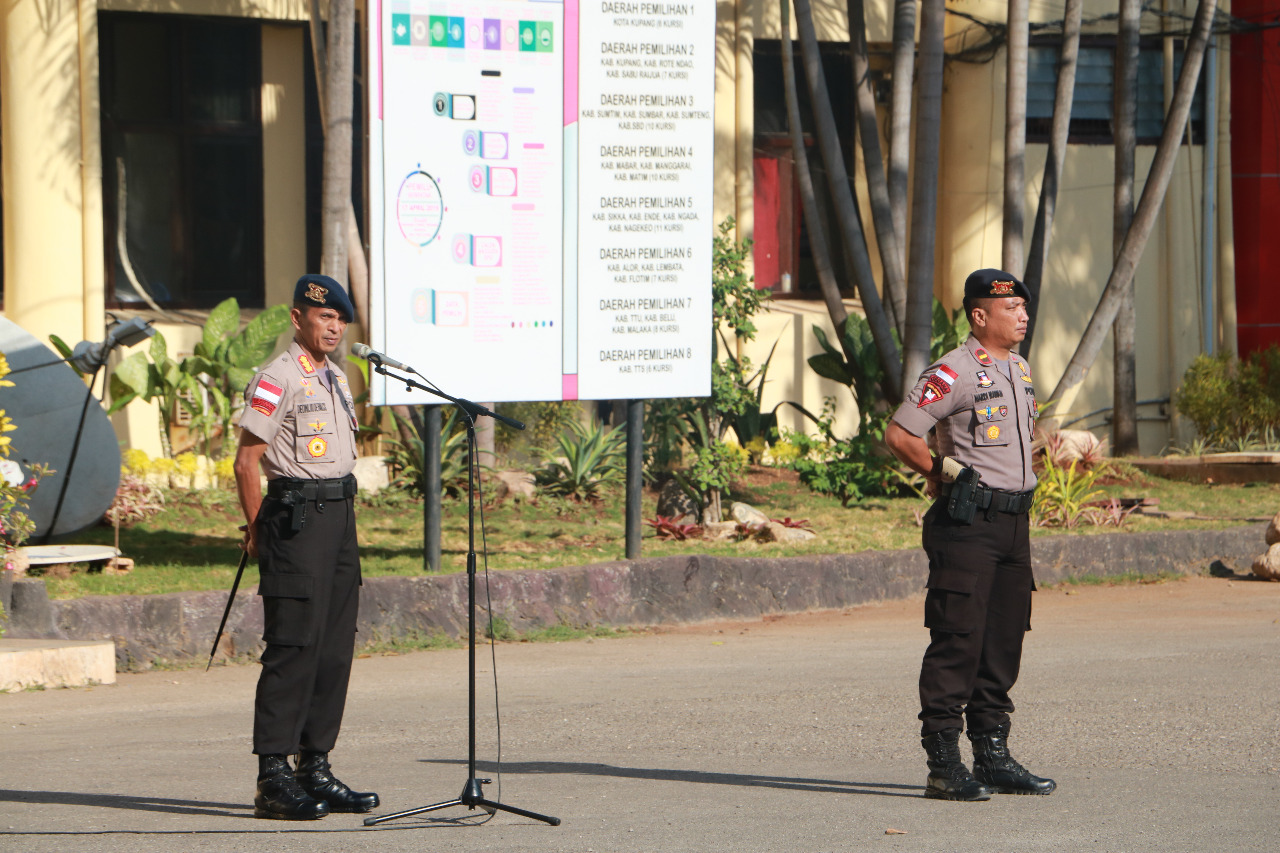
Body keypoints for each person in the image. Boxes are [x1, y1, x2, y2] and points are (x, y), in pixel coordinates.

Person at [885, 268, 1056, 802]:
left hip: (1013, 525)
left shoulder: (1020, 369)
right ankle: (943, 764)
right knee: (957, 640)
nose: (1022, 315)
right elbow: (900, 433)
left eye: (1024, 308)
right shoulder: (952, 371)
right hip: (967, 526)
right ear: (980, 315)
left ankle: (993, 755)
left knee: (1003, 642)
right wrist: (941, 471)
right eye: (1011, 309)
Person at [233, 274, 379, 820]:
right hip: (295, 521)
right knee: (293, 645)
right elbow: (247, 461)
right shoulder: (277, 377)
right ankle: (273, 774)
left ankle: (314, 766)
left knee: (334, 646)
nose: (335, 327)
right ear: (298, 320)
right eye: (324, 318)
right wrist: (256, 532)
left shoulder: (337, 377)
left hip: (339, 518)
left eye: (340, 319)